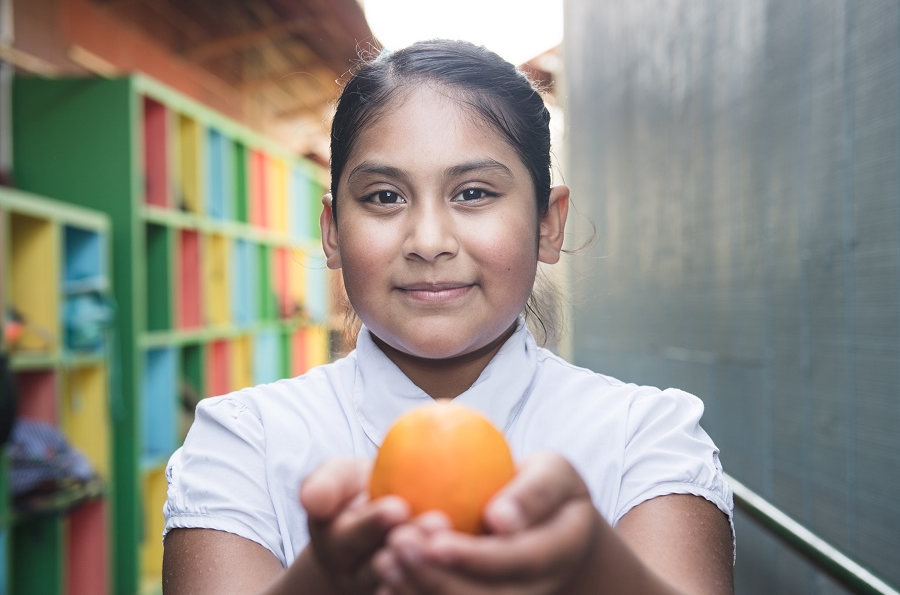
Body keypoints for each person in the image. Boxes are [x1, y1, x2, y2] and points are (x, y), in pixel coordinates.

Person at [162, 39, 735, 595]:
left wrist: (592, 569)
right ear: (332, 232)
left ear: (548, 224)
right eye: (385, 197)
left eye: (473, 193)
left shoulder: (646, 437)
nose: (429, 241)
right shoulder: (243, 443)